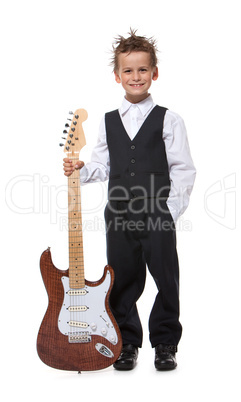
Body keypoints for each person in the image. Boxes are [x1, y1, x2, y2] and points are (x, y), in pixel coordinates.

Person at [63, 29, 196, 371]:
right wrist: (81, 168)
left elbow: (183, 168)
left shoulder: (169, 119)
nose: (135, 77)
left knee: (166, 278)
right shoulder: (108, 122)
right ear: (117, 75)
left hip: (156, 212)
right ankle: (127, 342)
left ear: (154, 73)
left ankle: (165, 343)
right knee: (121, 278)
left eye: (141, 70)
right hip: (118, 213)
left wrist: (168, 210)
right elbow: (101, 164)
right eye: (128, 71)